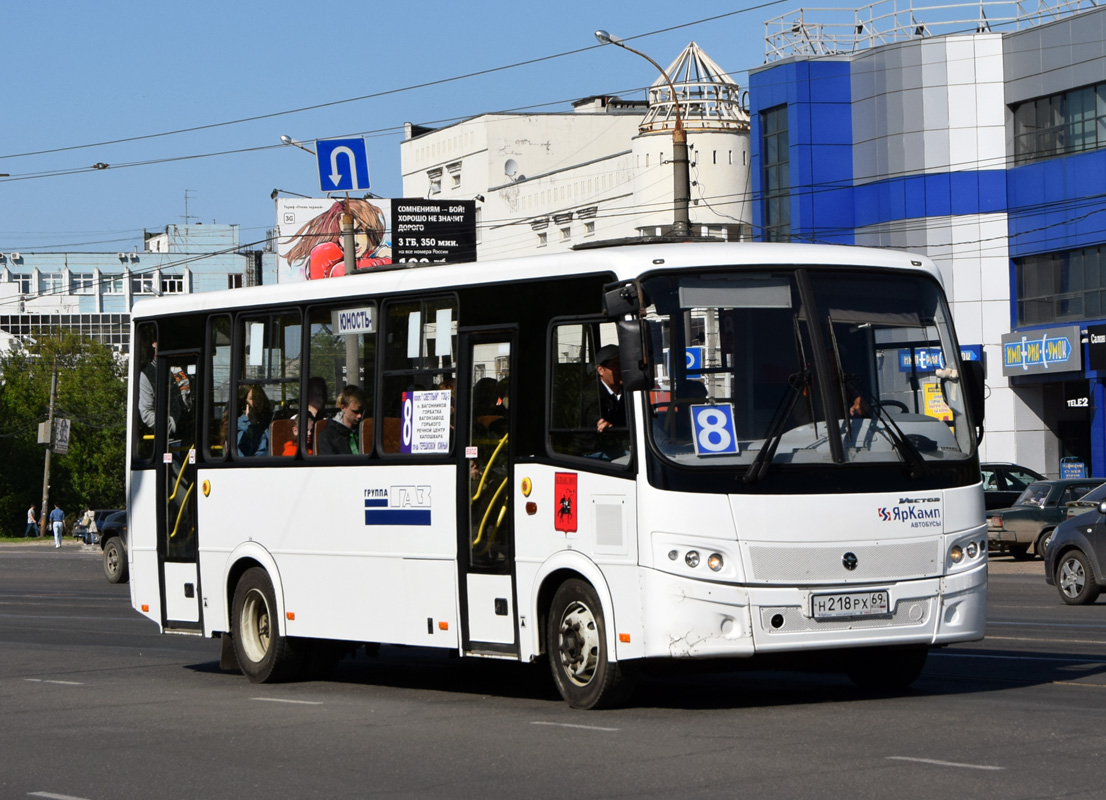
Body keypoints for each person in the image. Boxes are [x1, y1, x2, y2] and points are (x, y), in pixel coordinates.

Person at [284, 199, 392, 280]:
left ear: (371, 231)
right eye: (343, 234)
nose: (354, 242)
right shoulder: (327, 254)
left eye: (359, 232)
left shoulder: (385, 253)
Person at [317, 385, 366, 455]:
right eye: (355, 412)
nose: (359, 416)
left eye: (362, 411)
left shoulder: (365, 430)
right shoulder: (328, 435)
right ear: (343, 407)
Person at [594, 344, 625, 434]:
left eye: (622, 364)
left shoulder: (630, 392)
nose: (621, 369)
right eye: (616, 364)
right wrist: (604, 426)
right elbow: (593, 420)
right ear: (600, 370)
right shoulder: (593, 394)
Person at [237, 384, 272, 457]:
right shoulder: (240, 425)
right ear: (245, 403)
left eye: (259, 398)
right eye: (252, 398)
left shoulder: (267, 421)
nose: (257, 401)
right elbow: (243, 453)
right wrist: (252, 425)